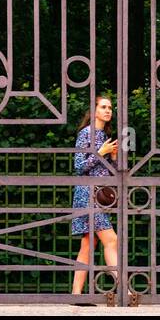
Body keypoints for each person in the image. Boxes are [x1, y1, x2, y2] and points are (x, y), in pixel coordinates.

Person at [71, 94, 119, 296]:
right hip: (87, 195)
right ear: (94, 111)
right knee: (111, 240)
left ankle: (76, 294)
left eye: (110, 108)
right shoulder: (87, 133)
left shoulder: (103, 135)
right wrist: (101, 151)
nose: (108, 110)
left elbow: (111, 172)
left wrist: (113, 157)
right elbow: (79, 166)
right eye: (103, 107)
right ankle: (124, 287)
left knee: (88, 245)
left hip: (99, 195)